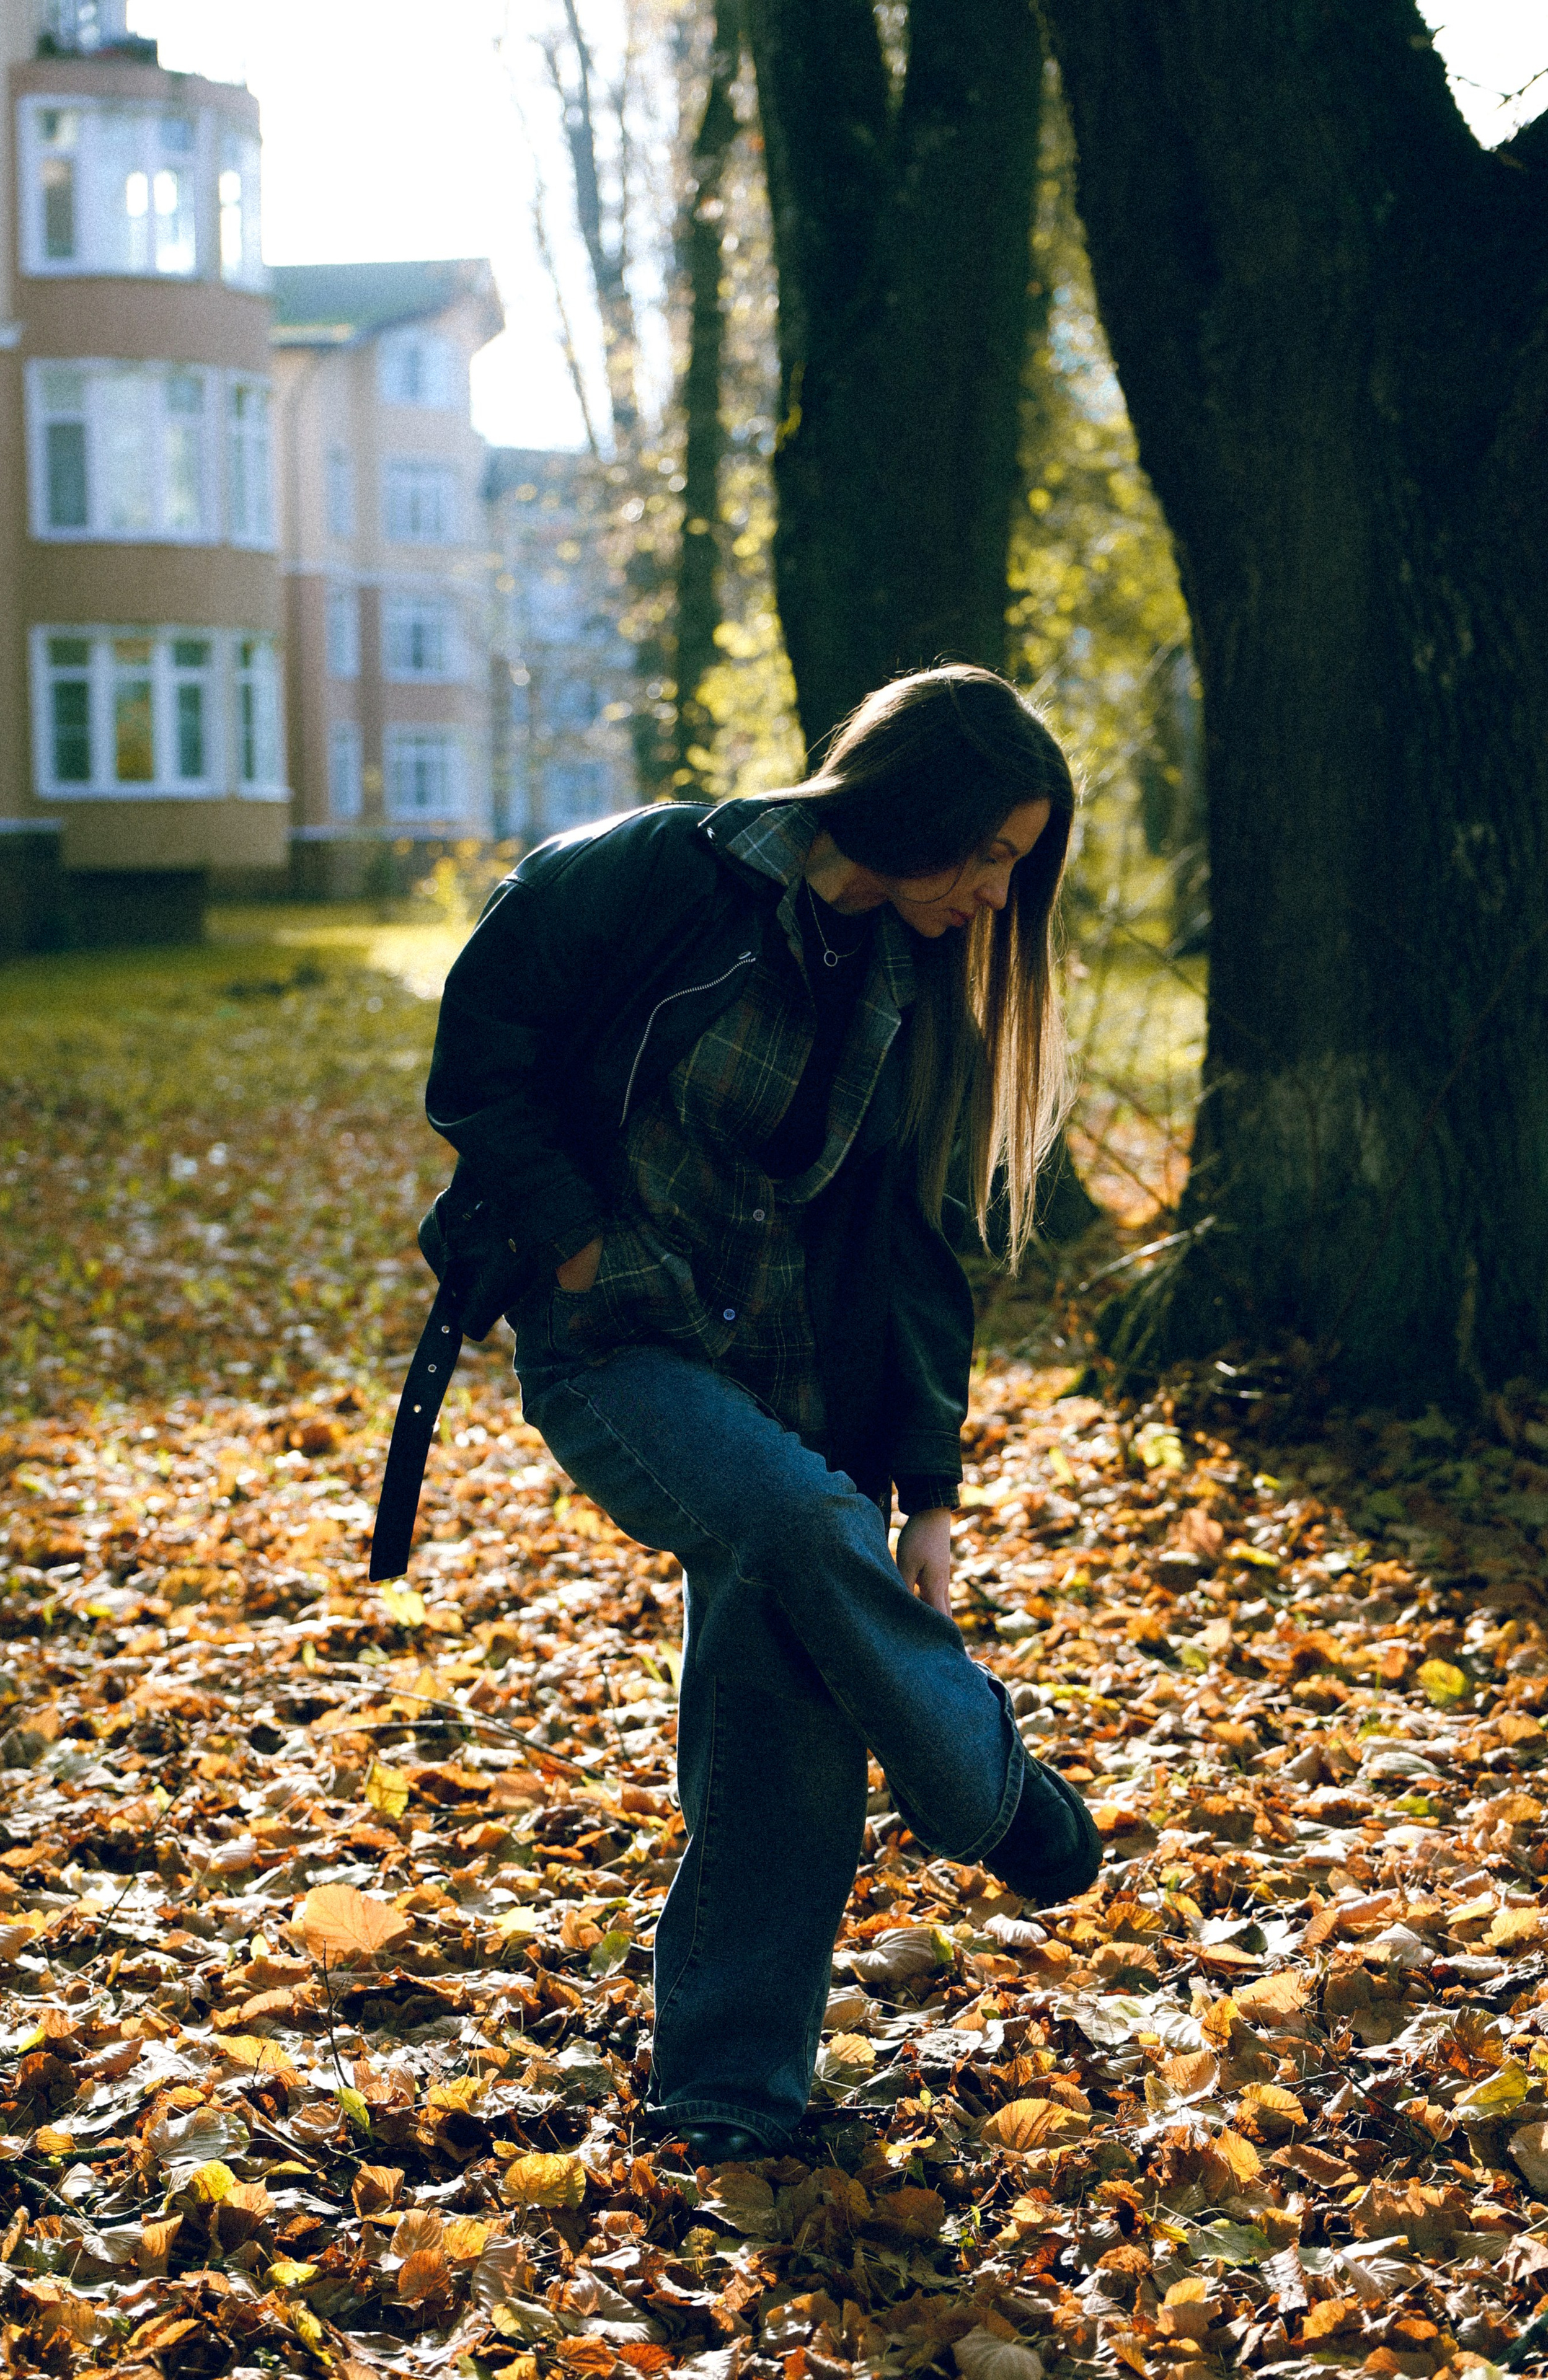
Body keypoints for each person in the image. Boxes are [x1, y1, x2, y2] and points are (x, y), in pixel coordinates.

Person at [423, 663, 1102, 2162]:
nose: (996, 896)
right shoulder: (658, 876)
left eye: (1015, 869)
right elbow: (482, 1048)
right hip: (619, 1352)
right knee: (797, 1523)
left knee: (783, 1700)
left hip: (803, 1383)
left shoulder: (905, 977)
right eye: (989, 854)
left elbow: (911, 1242)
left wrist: (927, 1492)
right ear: (911, 806)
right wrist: (578, 1242)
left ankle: (729, 2092)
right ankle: (981, 1782)